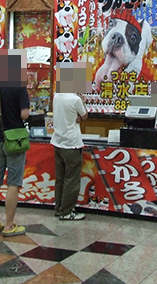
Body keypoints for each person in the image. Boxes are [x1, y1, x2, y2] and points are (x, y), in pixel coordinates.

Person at [0, 49, 30, 237]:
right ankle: (9, 225)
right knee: (13, 183)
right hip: (14, 140)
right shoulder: (19, 87)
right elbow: (24, 114)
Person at [51, 62, 91, 220]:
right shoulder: (75, 99)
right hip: (72, 144)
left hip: (58, 142)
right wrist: (82, 101)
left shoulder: (57, 96)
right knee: (72, 179)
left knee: (60, 178)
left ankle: (59, 208)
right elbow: (85, 116)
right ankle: (67, 212)